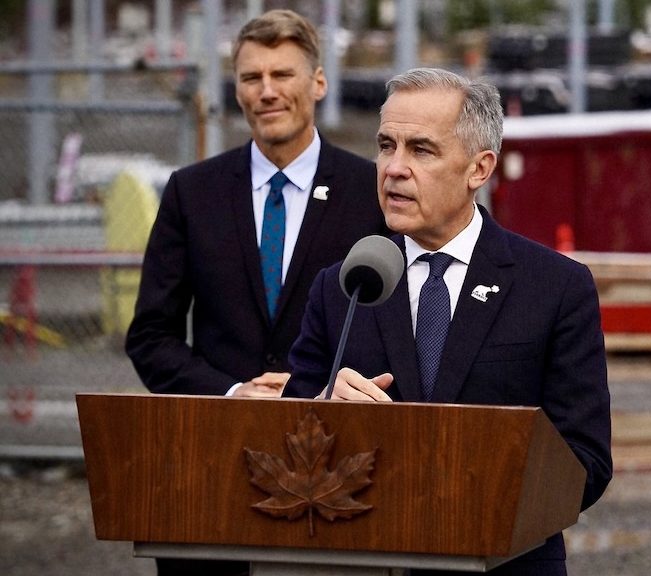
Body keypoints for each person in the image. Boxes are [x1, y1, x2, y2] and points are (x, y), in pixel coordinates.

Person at [283, 67, 612, 575]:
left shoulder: (555, 287)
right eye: (386, 146)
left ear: (479, 168)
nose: (394, 168)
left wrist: (467, 488)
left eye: (421, 150)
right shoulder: (343, 285)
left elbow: (585, 460)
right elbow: (285, 440)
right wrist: (323, 409)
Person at [124, 9, 386, 576]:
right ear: (237, 90)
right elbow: (150, 337)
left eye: (282, 74)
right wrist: (232, 392)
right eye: (251, 77)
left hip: (336, 473)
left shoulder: (372, 192)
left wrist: (328, 391)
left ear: (318, 82)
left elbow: (400, 325)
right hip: (212, 472)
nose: (267, 91)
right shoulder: (191, 193)